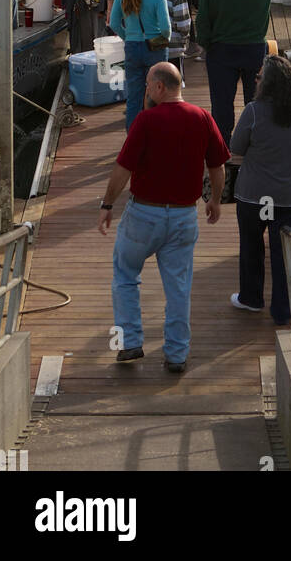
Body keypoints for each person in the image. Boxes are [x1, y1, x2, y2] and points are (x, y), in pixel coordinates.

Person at [97, 62, 230, 373]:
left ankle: (129, 342)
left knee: (125, 275)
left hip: (143, 215)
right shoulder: (202, 117)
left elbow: (122, 169)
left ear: (159, 87)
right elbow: (218, 166)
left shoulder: (145, 121)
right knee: (179, 288)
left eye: (147, 85)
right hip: (184, 216)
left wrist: (107, 204)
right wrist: (214, 200)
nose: (145, 90)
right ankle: (176, 355)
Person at [229, 56, 291, 325]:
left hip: (255, 195)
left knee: (252, 247)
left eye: (258, 78)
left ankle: (251, 298)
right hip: (289, 196)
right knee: (283, 254)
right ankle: (282, 310)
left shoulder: (253, 112)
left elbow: (236, 147)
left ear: (265, 84)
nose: (254, 81)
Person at [195, 0, 287, 196]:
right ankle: (253, 148)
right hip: (253, 50)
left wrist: (206, 45)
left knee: (221, 105)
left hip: (221, 52)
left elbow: (202, 22)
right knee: (254, 102)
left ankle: (221, 153)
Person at [109, 0, 171, 129]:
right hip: (155, 48)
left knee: (134, 97)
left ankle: (134, 138)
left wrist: (127, 36)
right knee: (158, 95)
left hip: (132, 46)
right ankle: (157, 135)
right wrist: (163, 41)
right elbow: (166, 28)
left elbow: (113, 23)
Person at [152, 0, 192, 78]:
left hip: (150, 47)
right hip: (173, 49)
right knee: (174, 87)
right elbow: (184, 25)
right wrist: (185, 39)